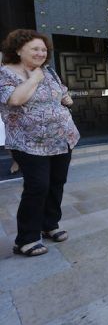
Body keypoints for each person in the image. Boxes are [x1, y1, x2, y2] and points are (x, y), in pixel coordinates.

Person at [0, 29, 80, 257]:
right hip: (29, 142)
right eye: (35, 48)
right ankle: (26, 239)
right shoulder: (5, 73)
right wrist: (34, 77)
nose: (41, 53)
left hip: (62, 138)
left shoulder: (50, 72)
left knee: (56, 183)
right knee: (37, 187)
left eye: (43, 49)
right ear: (18, 49)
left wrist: (65, 99)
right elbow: (16, 99)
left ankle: (49, 225)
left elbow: (64, 95)